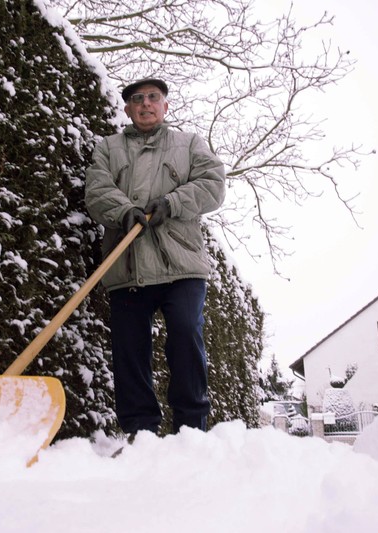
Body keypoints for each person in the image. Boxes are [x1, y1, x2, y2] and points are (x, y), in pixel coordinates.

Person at [85, 78, 226, 436]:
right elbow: (98, 191)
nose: (145, 104)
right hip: (127, 265)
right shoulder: (108, 148)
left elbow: (213, 184)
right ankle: (140, 431)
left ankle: (191, 428)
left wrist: (172, 202)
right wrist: (124, 210)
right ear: (128, 109)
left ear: (165, 106)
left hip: (181, 264)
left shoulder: (189, 143)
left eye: (153, 98)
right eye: (137, 99)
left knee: (184, 331)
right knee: (129, 348)